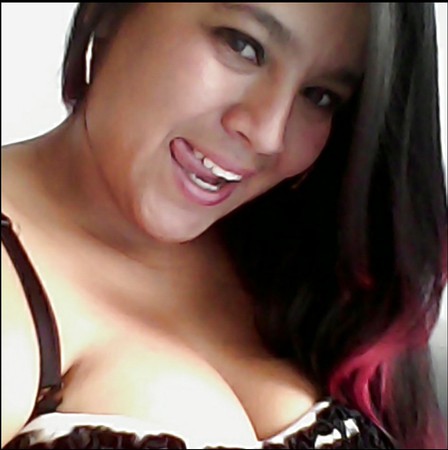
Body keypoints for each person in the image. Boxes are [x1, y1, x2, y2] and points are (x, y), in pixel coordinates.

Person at [1, 3, 446, 449]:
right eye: (243, 46)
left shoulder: (307, 271)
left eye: (319, 95)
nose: (268, 135)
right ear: (110, 11)